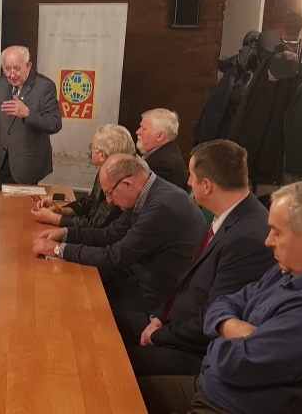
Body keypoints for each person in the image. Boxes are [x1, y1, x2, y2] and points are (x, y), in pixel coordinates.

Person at [138, 180, 302, 414]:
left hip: (228, 406)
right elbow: (224, 301)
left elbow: (234, 364)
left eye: (277, 232)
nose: (268, 241)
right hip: (208, 385)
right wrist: (227, 325)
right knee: (121, 386)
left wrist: (217, 336)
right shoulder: (283, 270)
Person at [114, 140, 274, 377]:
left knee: (112, 358)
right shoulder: (228, 212)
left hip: (194, 351)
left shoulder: (246, 238)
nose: (188, 182)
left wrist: (159, 335)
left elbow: (213, 318)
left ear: (207, 185)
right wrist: (158, 317)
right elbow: (187, 282)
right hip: (172, 322)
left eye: (191, 176)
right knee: (104, 319)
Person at [32, 154, 206, 311]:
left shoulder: (161, 206)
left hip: (158, 296)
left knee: (80, 306)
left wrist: (58, 249)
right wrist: (64, 234)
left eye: (109, 193)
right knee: (69, 280)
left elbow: (116, 256)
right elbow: (109, 234)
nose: (109, 201)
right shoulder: (144, 192)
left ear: (127, 184)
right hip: (138, 275)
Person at [0, 45, 62, 185]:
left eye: (17, 68)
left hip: (28, 165)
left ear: (28, 66)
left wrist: (28, 113)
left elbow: (55, 123)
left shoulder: (44, 86)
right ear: (2, 67)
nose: (12, 74)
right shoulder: (1, 84)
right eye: (7, 69)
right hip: (2, 162)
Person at [31, 123, 134, 228]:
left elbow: (94, 224)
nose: (90, 151)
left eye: (92, 147)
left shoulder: (120, 185)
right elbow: (91, 201)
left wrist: (54, 218)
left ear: (102, 154)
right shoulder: (104, 170)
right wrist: (61, 211)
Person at [137, 108, 188, 189]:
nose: (138, 132)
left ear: (160, 136)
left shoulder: (161, 165)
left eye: (144, 128)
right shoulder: (171, 150)